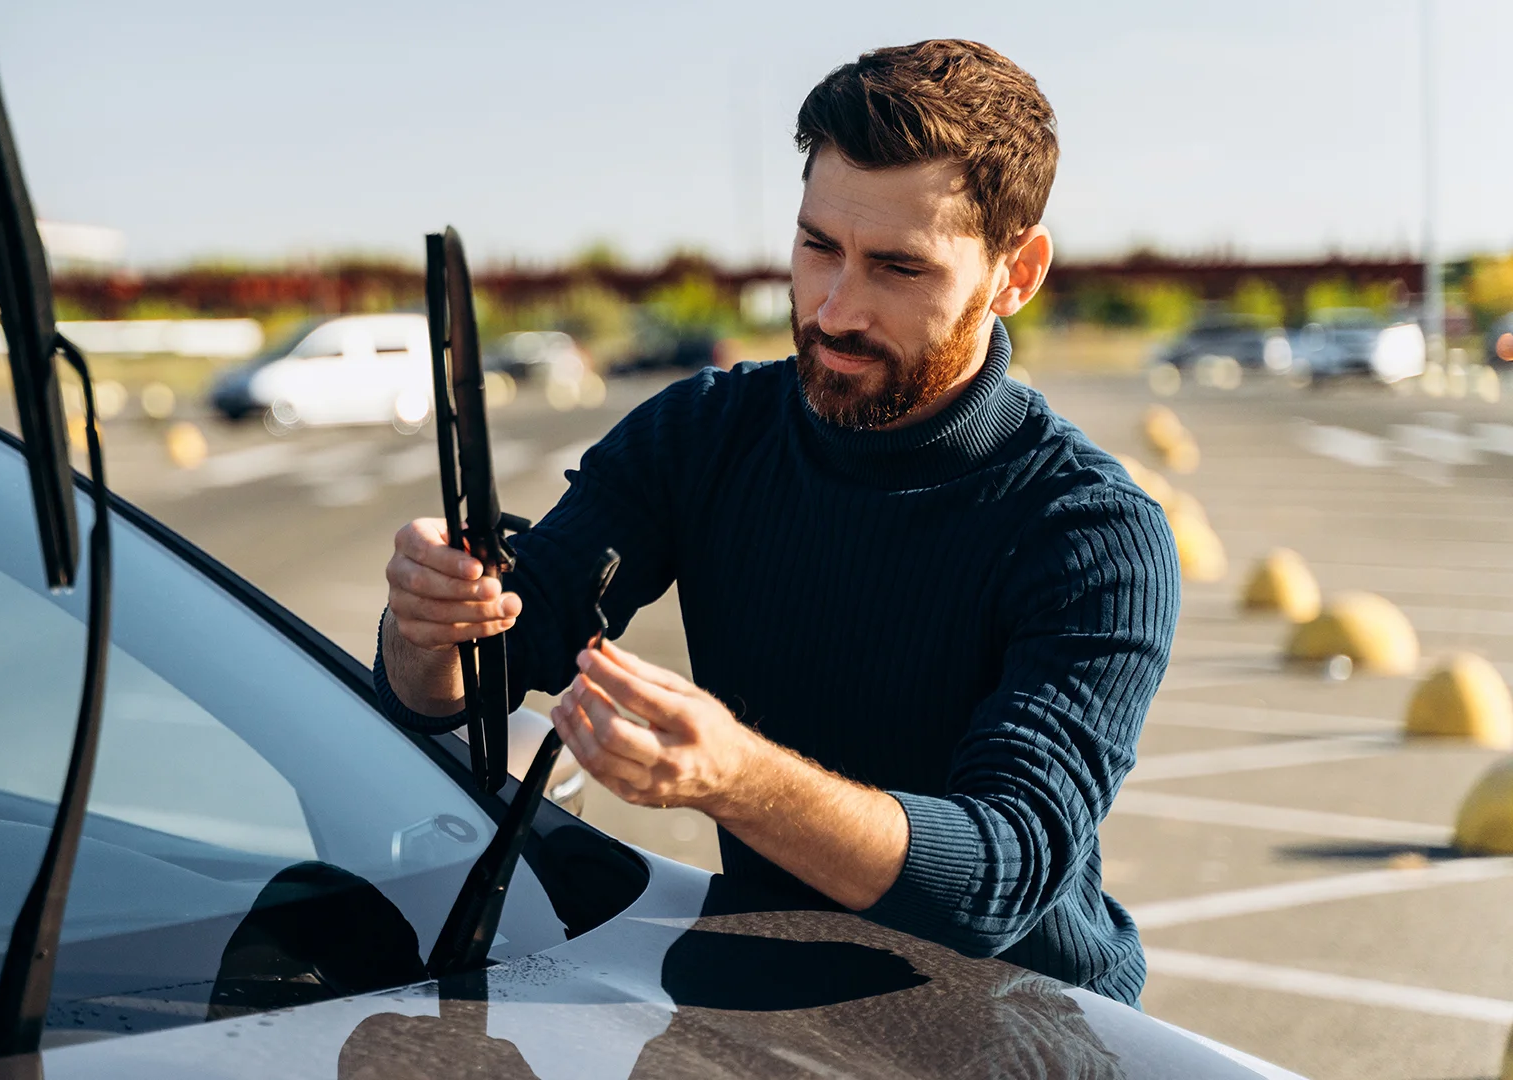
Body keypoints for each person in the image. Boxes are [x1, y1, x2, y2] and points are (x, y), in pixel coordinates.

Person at [375, 39, 1177, 1005]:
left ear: (1017, 273)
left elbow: (998, 874)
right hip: (760, 993)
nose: (835, 310)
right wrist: (428, 626)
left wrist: (737, 777)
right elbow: (485, 666)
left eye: (898, 269)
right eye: (817, 248)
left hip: (1018, 1022)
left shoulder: (1090, 533)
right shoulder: (702, 434)